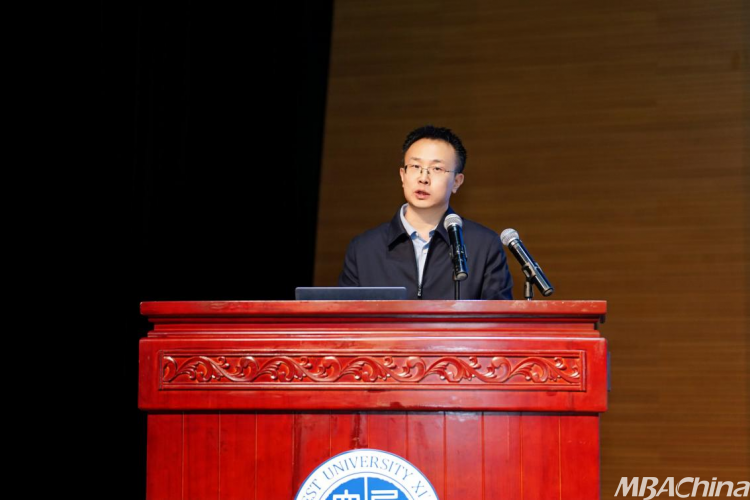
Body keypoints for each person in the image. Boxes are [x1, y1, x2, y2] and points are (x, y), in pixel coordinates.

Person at [338, 125, 513, 300]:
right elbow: (344, 314)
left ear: (457, 182)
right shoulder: (364, 249)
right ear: (402, 175)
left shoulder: (484, 246)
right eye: (415, 166)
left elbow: (500, 315)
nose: (423, 178)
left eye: (437, 169)